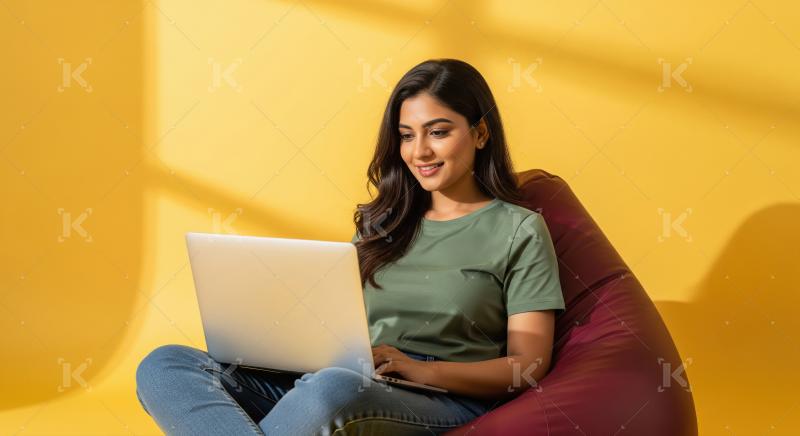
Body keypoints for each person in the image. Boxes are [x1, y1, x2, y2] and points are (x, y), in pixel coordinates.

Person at [136, 58, 566, 435]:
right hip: (344, 375)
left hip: (439, 396)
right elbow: (337, 324)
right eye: (406, 135)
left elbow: (526, 367)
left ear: (480, 133)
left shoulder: (519, 230)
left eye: (438, 132)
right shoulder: (385, 223)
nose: (419, 152)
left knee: (333, 389)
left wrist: (423, 370)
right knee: (166, 365)